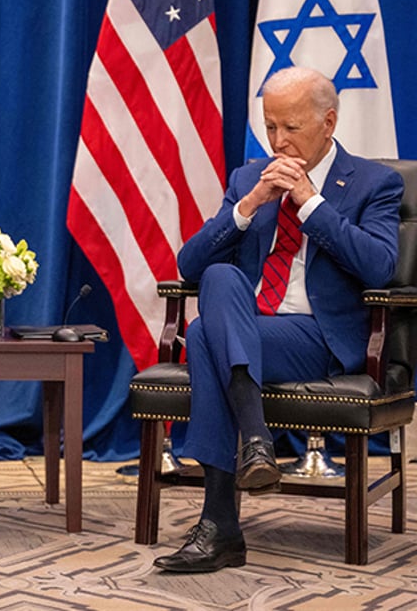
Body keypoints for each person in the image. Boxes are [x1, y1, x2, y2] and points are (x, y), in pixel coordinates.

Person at [152, 66, 403, 573]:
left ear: (328, 122)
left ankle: (220, 523)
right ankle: (255, 442)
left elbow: (379, 266)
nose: (279, 141)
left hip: (319, 336)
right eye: (270, 127)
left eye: (291, 127)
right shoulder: (248, 178)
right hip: (252, 327)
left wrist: (310, 202)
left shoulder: (375, 183)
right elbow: (189, 264)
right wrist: (248, 206)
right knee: (219, 283)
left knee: (203, 334)